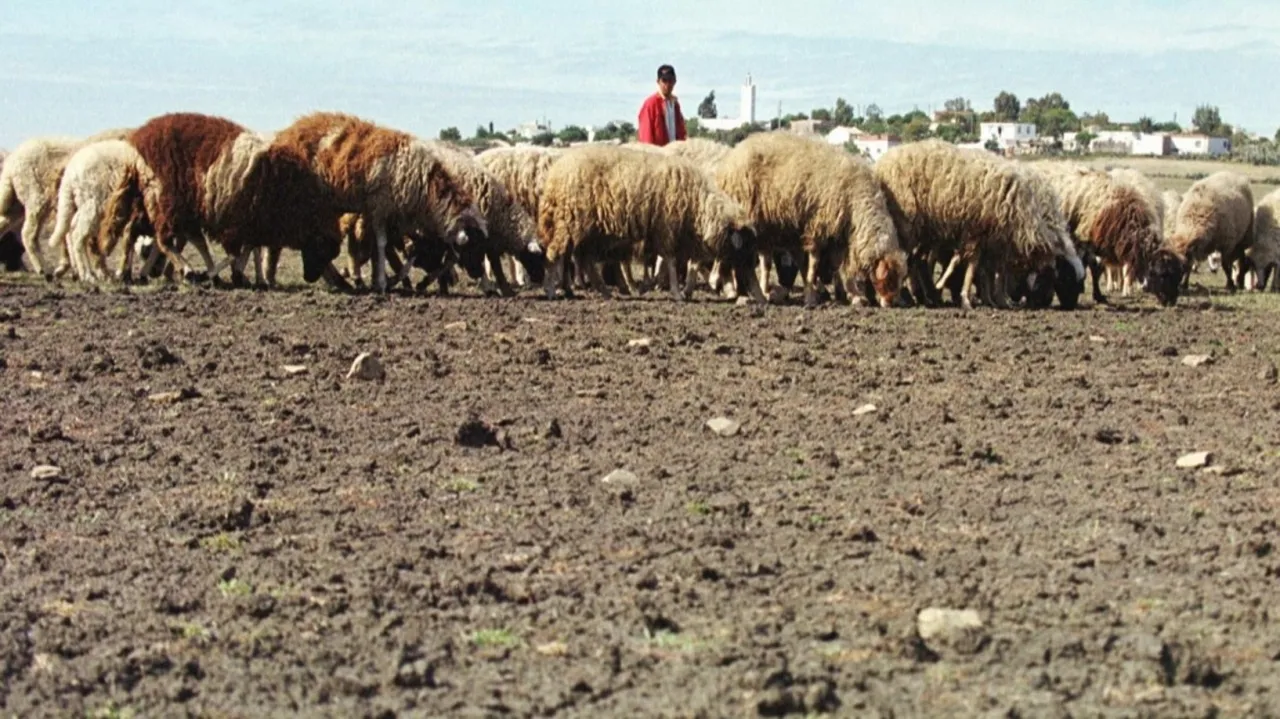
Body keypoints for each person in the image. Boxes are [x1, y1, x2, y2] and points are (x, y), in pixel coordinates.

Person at [637, 64, 687, 147]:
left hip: (675, 152)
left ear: (675, 81)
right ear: (658, 81)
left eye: (670, 80)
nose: (667, 84)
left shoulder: (675, 104)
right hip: (657, 152)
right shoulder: (650, 104)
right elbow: (646, 136)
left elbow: (681, 132)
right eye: (664, 80)